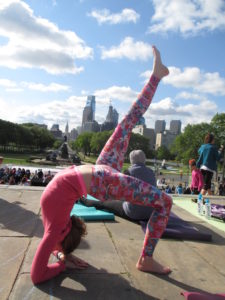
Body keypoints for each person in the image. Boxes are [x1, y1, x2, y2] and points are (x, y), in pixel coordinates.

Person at [31, 46, 172, 285]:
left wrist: (61, 256)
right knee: (165, 202)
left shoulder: (53, 229)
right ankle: (146, 259)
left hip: (100, 171)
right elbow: (38, 276)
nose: (50, 246)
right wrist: (62, 261)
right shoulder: (55, 229)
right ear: (63, 234)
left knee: (126, 122)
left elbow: (43, 263)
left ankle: (156, 76)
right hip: (101, 181)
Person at [80, 149, 156, 221]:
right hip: (150, 213)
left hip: (134, 213)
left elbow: (119, 191)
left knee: (105, 202)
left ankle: (85, 200)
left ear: (131, 160)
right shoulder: (151, 172)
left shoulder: (129, 172)